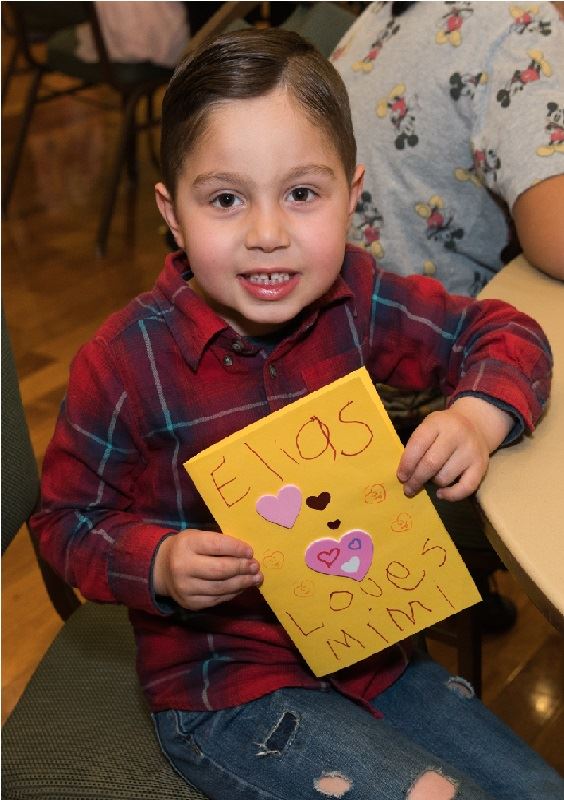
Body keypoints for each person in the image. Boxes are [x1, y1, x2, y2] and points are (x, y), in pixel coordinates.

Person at [31, 29, 563, 800]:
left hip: (375, 655)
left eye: (303, 194)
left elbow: (507, 331)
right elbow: (64, 522)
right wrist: (156, 561)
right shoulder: (122, 362)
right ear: (172, 213)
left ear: (353, 192)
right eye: (224, 199)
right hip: (229, 691)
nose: (268, 235)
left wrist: (479, 414)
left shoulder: (357, 295)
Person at [332, 0, 564, 631]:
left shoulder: (383, 13)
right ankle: (449, 577)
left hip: (331, 364)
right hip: (411, 410)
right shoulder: (519, 24)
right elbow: (555, 235)